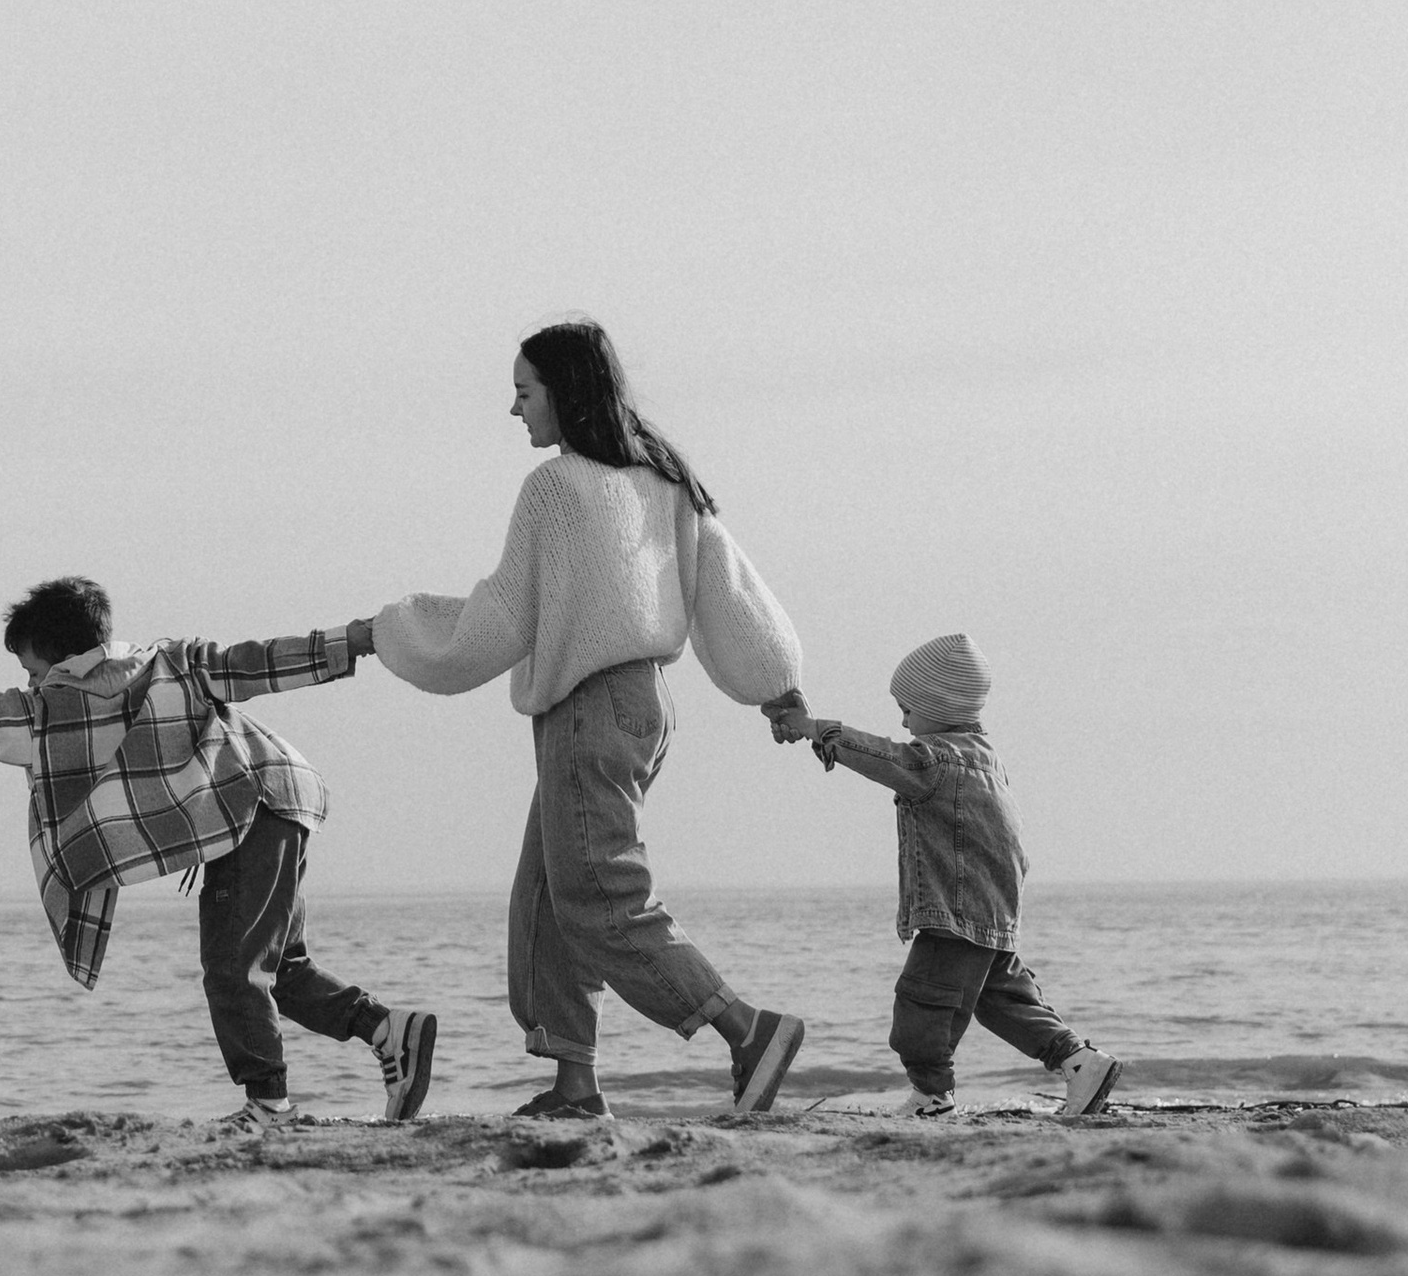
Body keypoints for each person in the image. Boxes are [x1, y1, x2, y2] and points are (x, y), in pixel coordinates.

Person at [368, 317, 809, 1124]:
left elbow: (500, 617)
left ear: (563, 392)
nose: (513, 410)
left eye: (523, 390)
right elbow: (732, 592)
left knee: (602, 899)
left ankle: (749, 1029)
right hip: (638, 705)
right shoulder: (664, 477)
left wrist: (394, 632)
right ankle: (575, 1084)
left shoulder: (556, 489)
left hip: (591, 709)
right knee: (544, 898)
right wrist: (777, 687)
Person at [0, 577, 438, 1124]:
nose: (30, 684)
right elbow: (250, 663)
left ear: (59, 658)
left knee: (232, 967)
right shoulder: (171, 662)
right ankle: (389, 1031)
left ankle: (269, 1104)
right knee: (280, 970)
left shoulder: (58, 706)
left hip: (250, 809)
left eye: (32, 669)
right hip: (279, 795)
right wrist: (348, 640)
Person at [776, 632, 1119, 1120]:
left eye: (908, 707)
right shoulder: (984, 757)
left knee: (919, 1011)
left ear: (940, 705)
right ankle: (1080, 1062)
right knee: (1002, 1001)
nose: (903, 719)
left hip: (956, 911)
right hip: (993, 905)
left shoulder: (935, 761)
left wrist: (814, 727)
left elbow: (883, 758)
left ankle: (933, 1097)